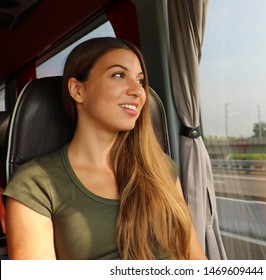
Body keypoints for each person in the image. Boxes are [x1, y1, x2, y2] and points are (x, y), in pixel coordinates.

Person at [4, 37, 207, 260]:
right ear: (77, 90)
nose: (138, 92)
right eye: (119, 75)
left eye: (140, 81)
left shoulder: (161, 168)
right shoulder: (36, 184)